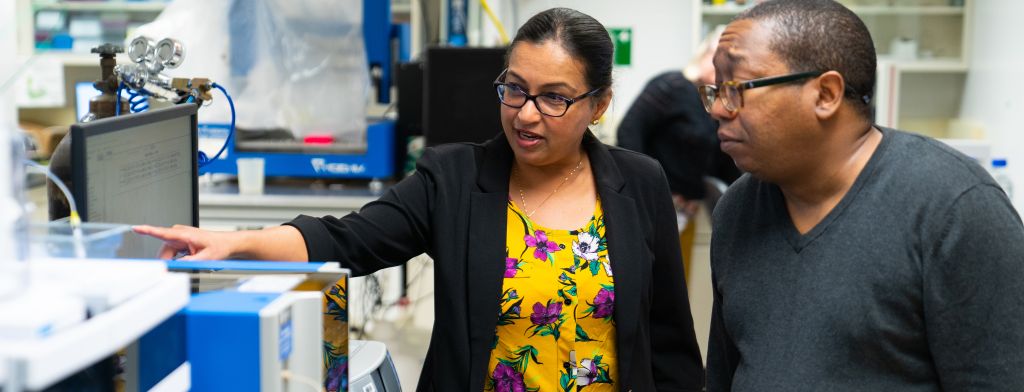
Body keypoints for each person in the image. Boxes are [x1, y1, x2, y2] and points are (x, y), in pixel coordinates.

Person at [135, 7, 704, 391]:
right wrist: (233, 243)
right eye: (514, 89)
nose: (526, 114)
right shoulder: (454, 178)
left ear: (598, 104)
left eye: (554, 98)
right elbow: (347, 239)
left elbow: (670, 341)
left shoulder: (640, 184)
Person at [702, 0, 1024, 390]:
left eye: (736, 89)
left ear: (825, 94)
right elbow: (724, 374)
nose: (718, 108)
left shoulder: (953, 207)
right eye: (716, 91)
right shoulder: (737, 210)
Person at [616, 25, 740, 274]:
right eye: (719, 59)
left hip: (689, 211)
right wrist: (655, 192)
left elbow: (721, 161)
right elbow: (629, 132)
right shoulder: (672, 85)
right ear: (706, 55)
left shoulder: (718, 103)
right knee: (644, 280)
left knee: (676, 284)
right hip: (653, 207)